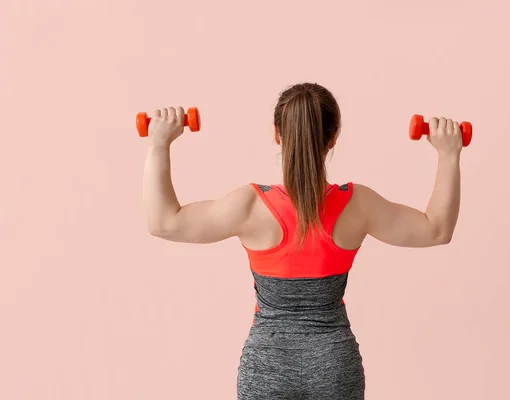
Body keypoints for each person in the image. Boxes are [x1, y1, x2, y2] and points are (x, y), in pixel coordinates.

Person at [142, 82, 463, 399]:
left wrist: (159, 144)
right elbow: (436, 229)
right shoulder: (358, 204)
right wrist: (448, 155)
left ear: (277, 134)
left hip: (267, 368)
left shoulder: (249, 205)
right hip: (333, 367)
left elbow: (164, 223)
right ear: (334, 137)